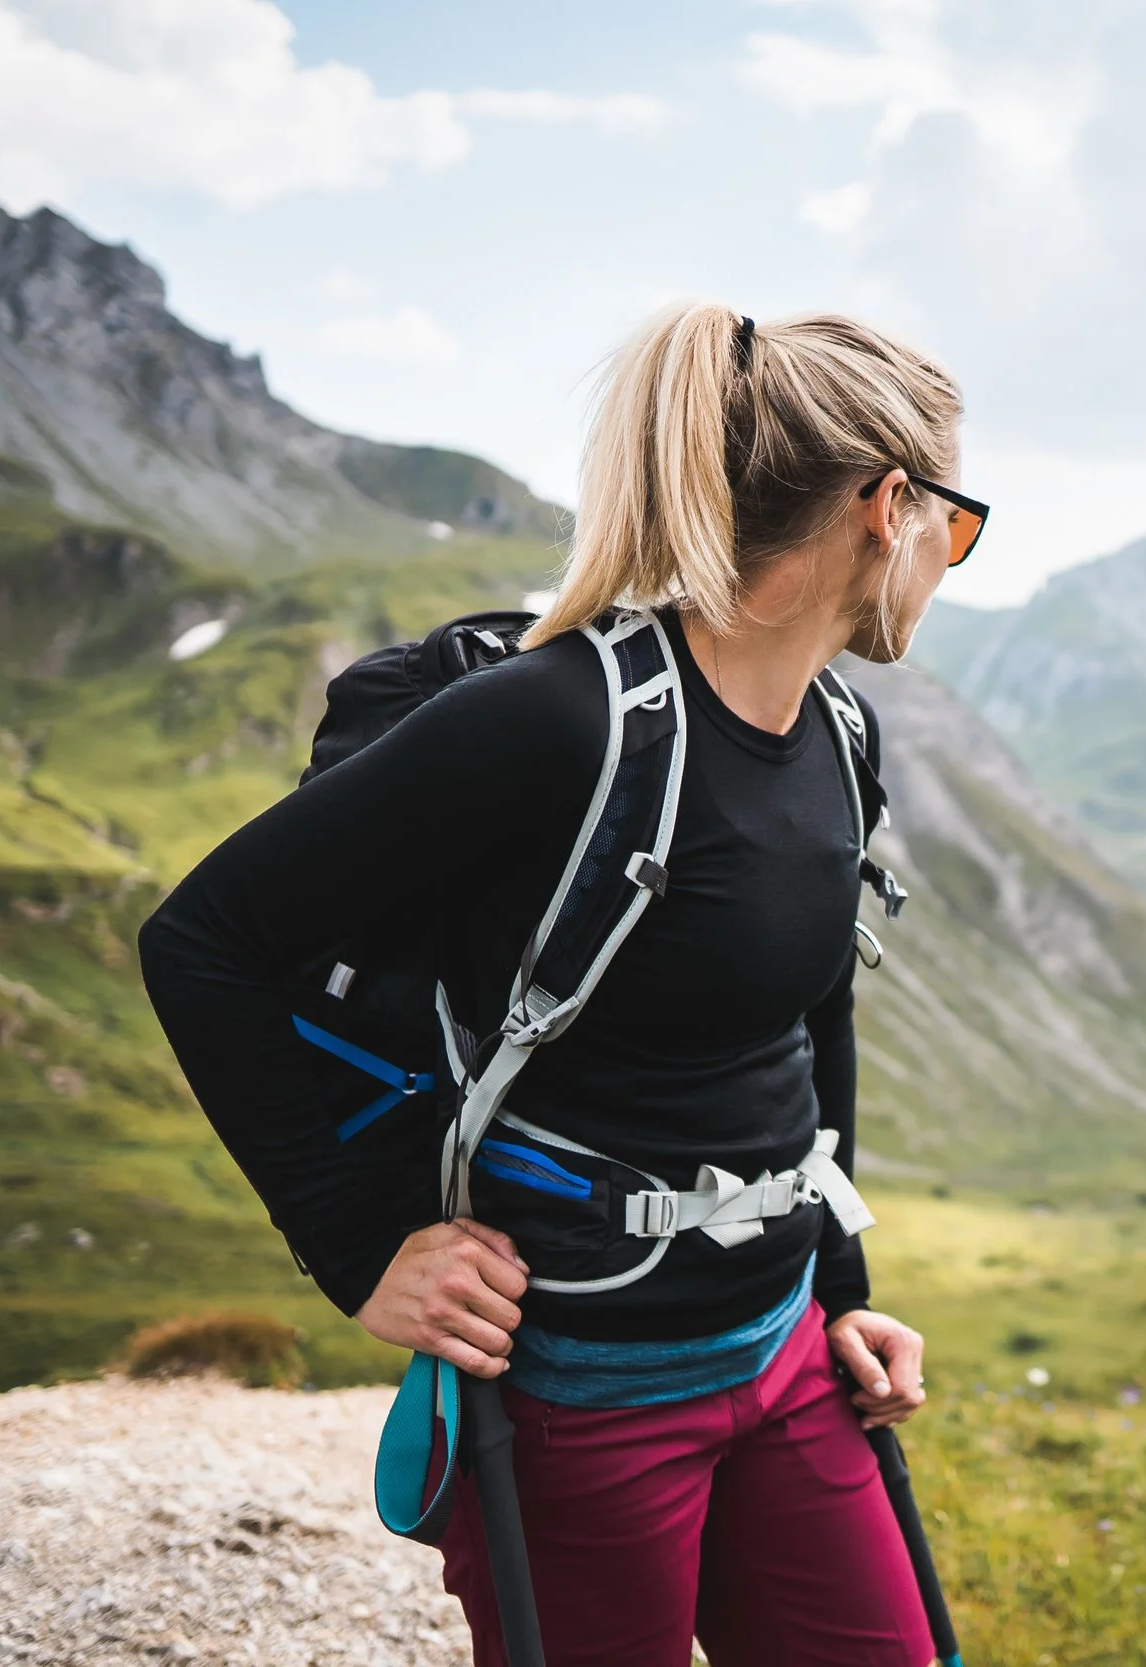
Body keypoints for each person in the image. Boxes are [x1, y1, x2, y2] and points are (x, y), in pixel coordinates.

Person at [138, 302, 985, 1667]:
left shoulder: (837, 728)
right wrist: (362, 1252)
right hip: (584, 1393)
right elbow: (204, 941)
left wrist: (840, 1289)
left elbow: (801, 1025)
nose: (954, 555)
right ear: (889, 507)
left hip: (784, 1357)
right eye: (959, 521)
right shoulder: (557, 720)